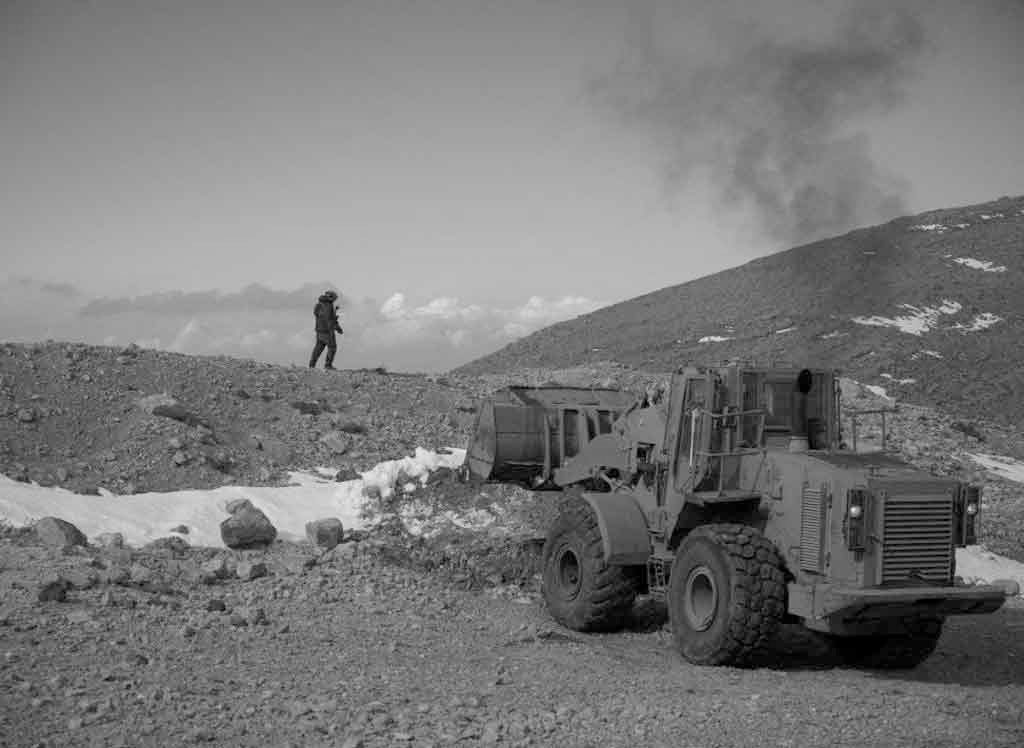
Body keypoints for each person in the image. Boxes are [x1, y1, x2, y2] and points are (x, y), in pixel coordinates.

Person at [309, 290, 344, 370]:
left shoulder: (319, 304)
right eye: (334, 298)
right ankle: (328, 365)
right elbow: (329, 320)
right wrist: (337, 328)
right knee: (332, 347)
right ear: (330, 297)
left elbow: (319, 315)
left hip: (319, 330)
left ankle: (311, 365)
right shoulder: (328, 305)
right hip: (327, 331)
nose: (334, 300)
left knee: (318, 348)